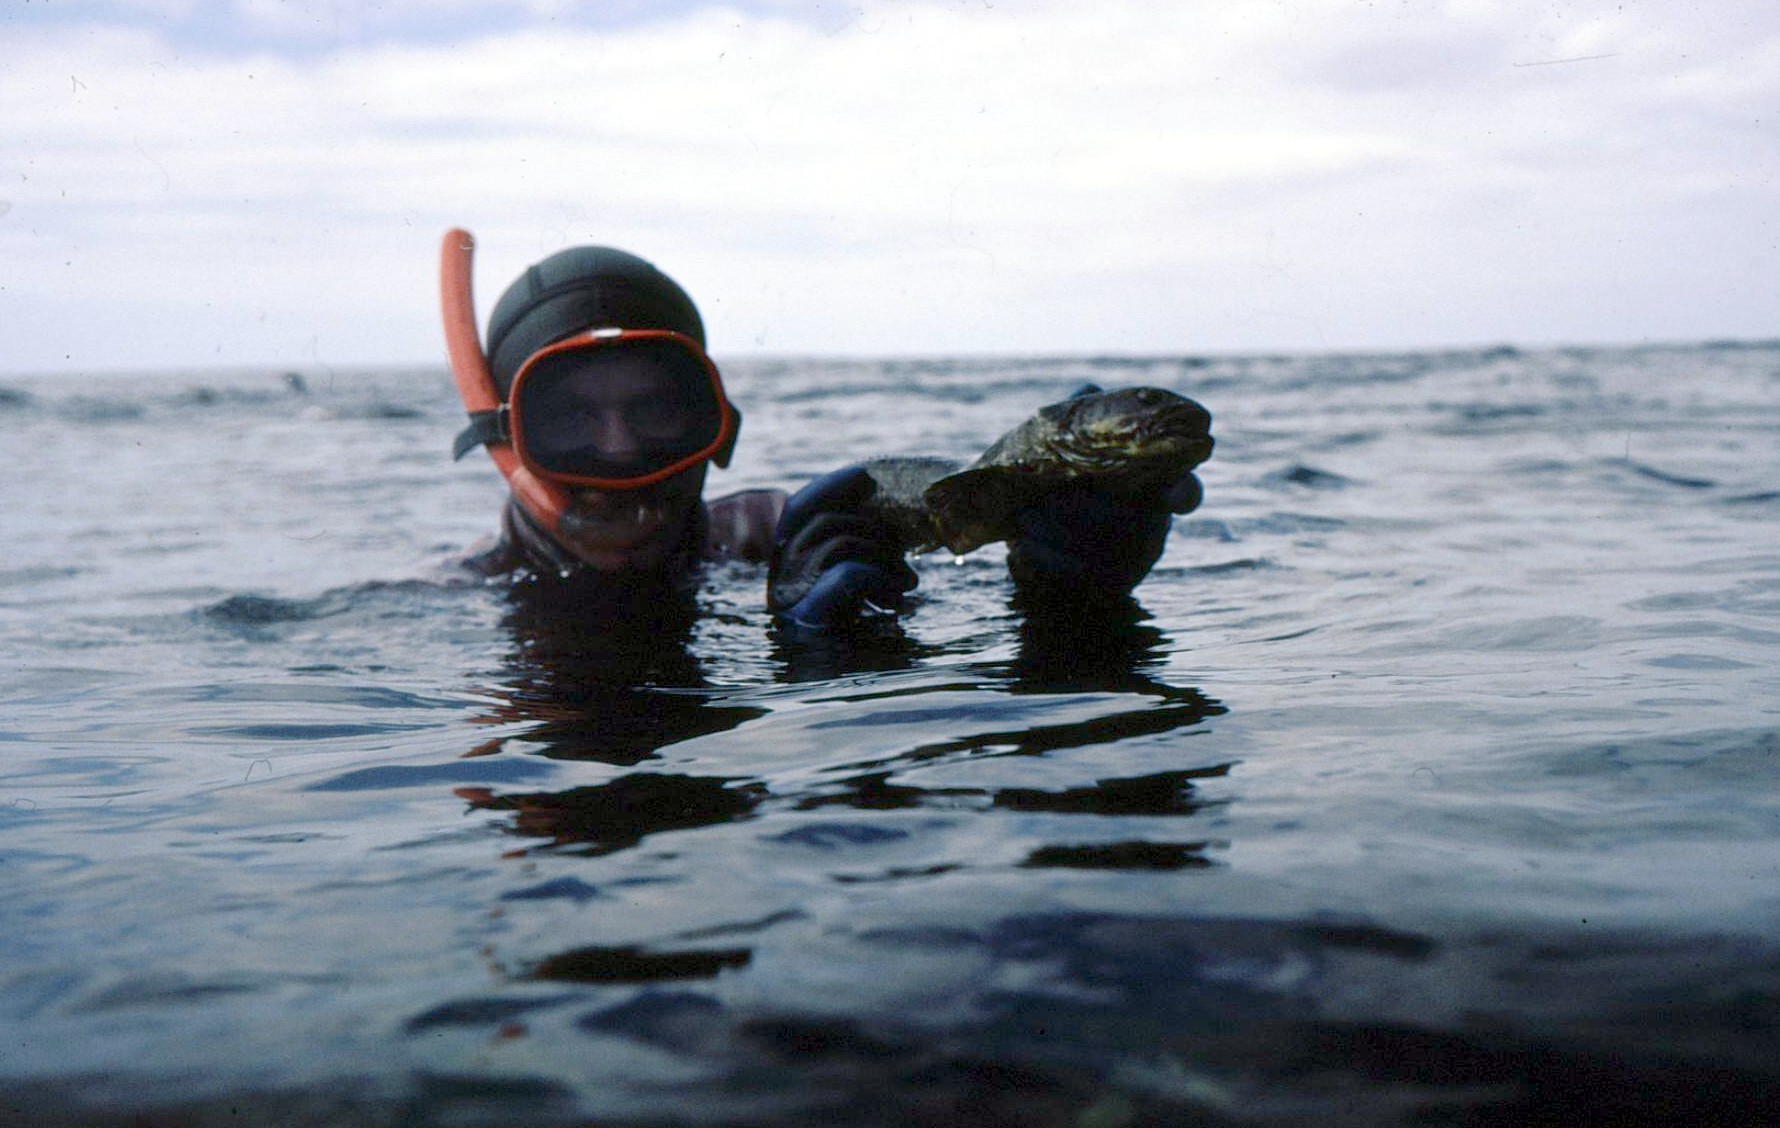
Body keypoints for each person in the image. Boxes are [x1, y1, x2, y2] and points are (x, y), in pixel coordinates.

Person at [442, 231, 1198, 628]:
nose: (621, 455)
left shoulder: (794, 533)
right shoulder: (443, 600)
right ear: (507, 446)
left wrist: (1074, 603)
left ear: (719, 427)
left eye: (660, 412)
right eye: (568, 420)